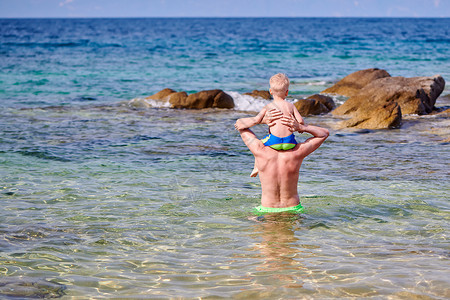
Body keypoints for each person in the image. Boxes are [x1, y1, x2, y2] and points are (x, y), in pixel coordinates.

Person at [235, 113, 329, 214]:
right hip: (293, 208)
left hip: (267, 209)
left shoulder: (259, 150)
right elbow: (324, 133)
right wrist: (301, 127)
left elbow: (240, 124)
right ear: (291, 130)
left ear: (269, 131)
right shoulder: (297, 152)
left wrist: (261, 120)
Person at [234, 73, 304, 177]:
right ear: (287, 92)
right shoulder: (291, 106)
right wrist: (300, 128)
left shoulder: (268, 106)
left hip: (274, 142)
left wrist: (264, 120)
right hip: (290, 142)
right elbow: (301, 121)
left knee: (259, 145)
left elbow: (257, 119)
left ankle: (256, 166)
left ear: (270, 92)